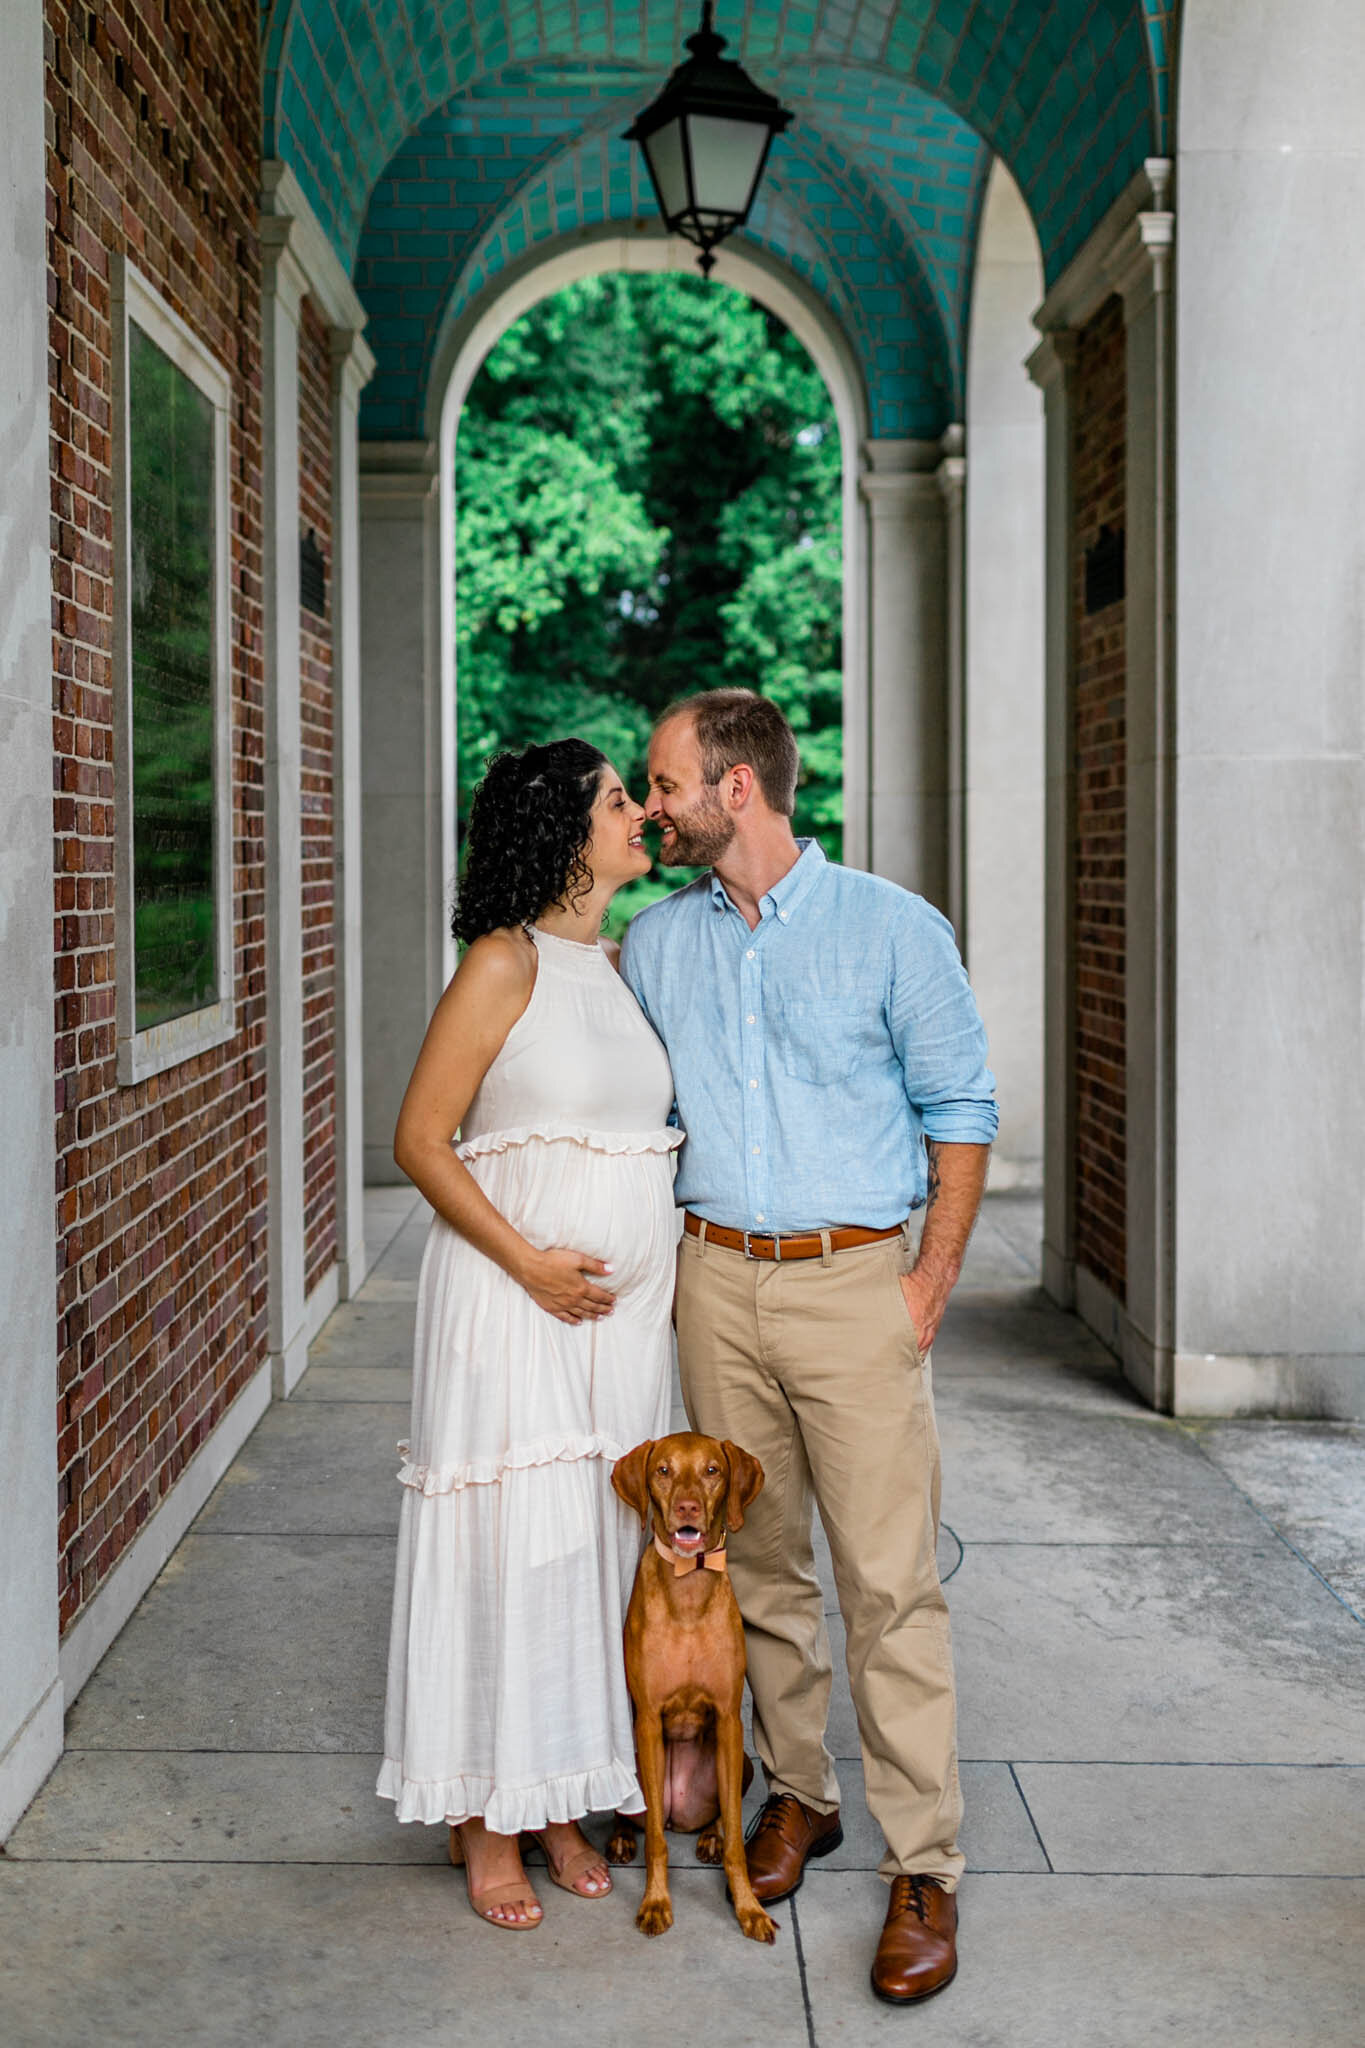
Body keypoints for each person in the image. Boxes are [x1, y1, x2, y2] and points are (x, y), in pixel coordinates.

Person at [619, 689, 997, 2005]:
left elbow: (962, 1110)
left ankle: (925, 1866)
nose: (648, 803)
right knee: (759, 1572)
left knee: (890, 1583)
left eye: (662, 782)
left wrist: (925, 1284)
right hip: (716, 1281)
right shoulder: (653, 944)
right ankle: (800, 1796)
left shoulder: (894, 930)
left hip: (855, 1283)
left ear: (736, 789)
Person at [377, 740, 680, 1930]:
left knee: (586, 1553)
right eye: (619, 800)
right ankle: (483, 1815)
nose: (639, 814)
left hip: (615, 1330)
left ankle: (559, 1792)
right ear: (564, 832)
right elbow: (419, 1137)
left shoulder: (612, 961)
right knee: (510, 1543)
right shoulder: (501, 962)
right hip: (512, 1305)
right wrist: (531, 1263)